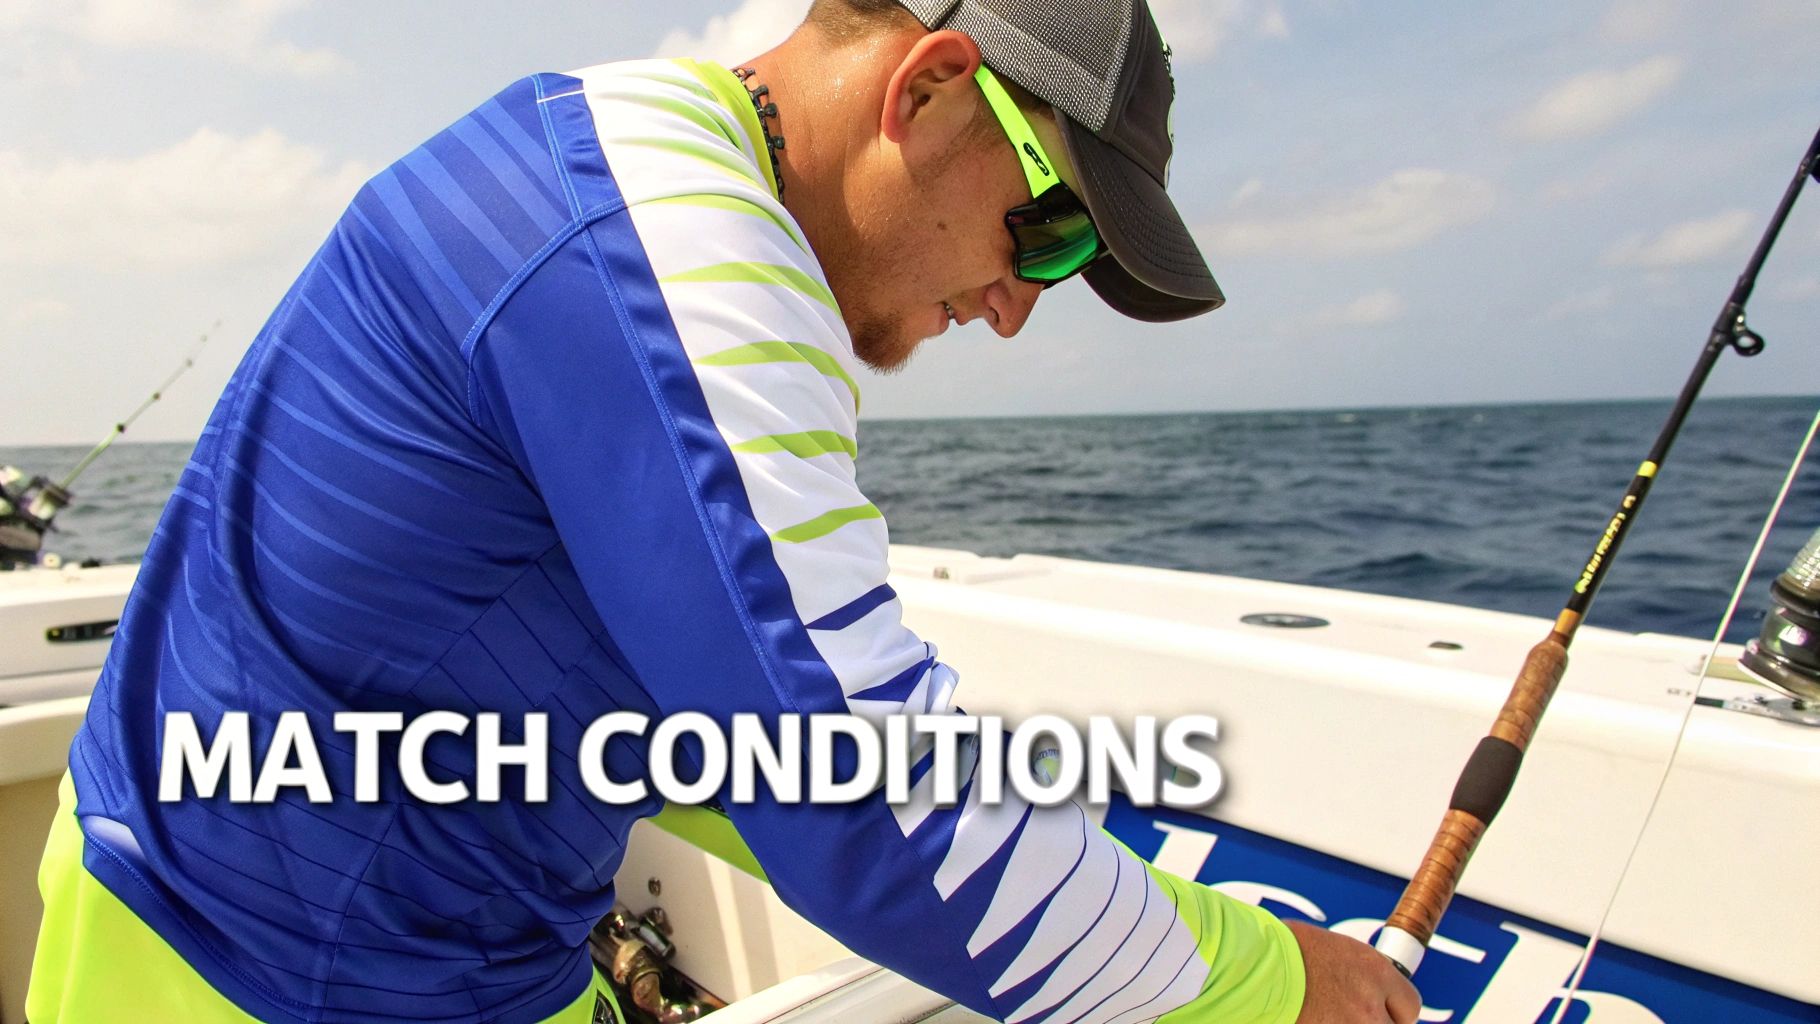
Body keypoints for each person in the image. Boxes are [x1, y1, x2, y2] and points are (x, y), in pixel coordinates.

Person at [28, 0, 1421, 1021]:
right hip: (279, 977)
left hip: (369, 942)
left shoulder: (617, 166)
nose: (1014, 309)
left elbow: (734, 738)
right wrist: (1269, 982)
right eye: (1047, 232)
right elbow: (863, 794)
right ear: (931, 87)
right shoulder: (670, 253)